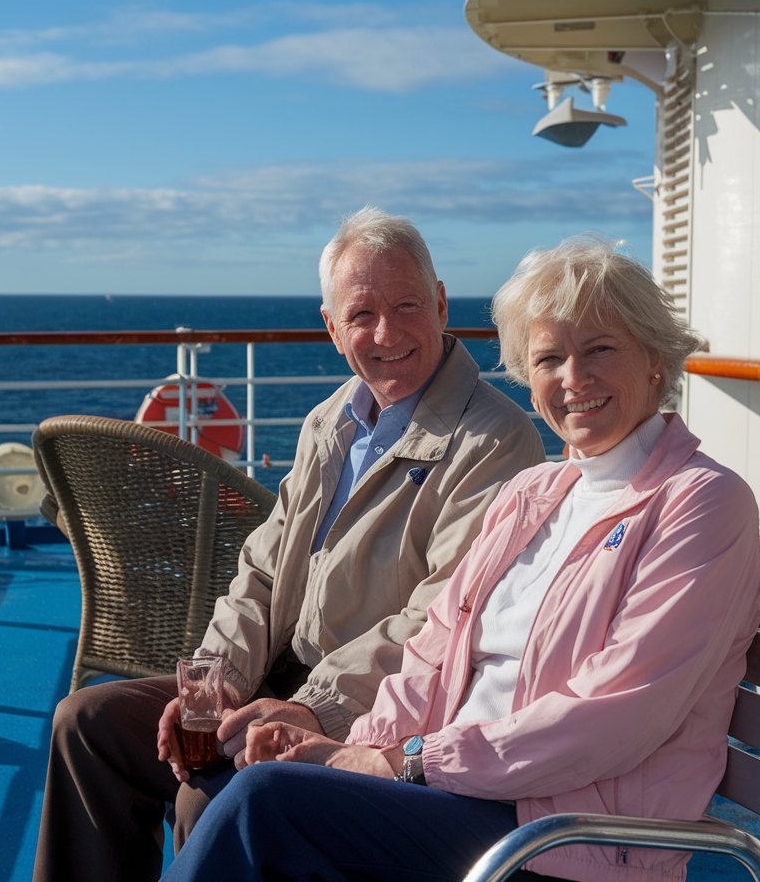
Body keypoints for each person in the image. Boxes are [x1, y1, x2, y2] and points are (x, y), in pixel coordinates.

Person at [161, 235, 760, 882]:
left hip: (561, 841)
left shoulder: (700, 503)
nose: (573, 378)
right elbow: (433, 652)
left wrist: (409, 763)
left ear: (654, 359)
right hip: (458, 796)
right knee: (261, 781)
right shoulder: (535, 493)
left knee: (265, 807)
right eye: (549, 358)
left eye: (600, 349)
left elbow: (615, 715)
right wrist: (349, 750)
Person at [31, 207, 546, 881]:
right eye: (361, 315)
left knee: (204, 793)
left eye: (407, 305)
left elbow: (439, 621)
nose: (386, 332)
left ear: (442, 303)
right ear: (333, 330)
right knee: (86, 724)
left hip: (373, 710)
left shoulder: (495, 441)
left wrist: (311, 709)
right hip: (276, 682)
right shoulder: (330, 421)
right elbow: (263, 569)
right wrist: (216, 685)